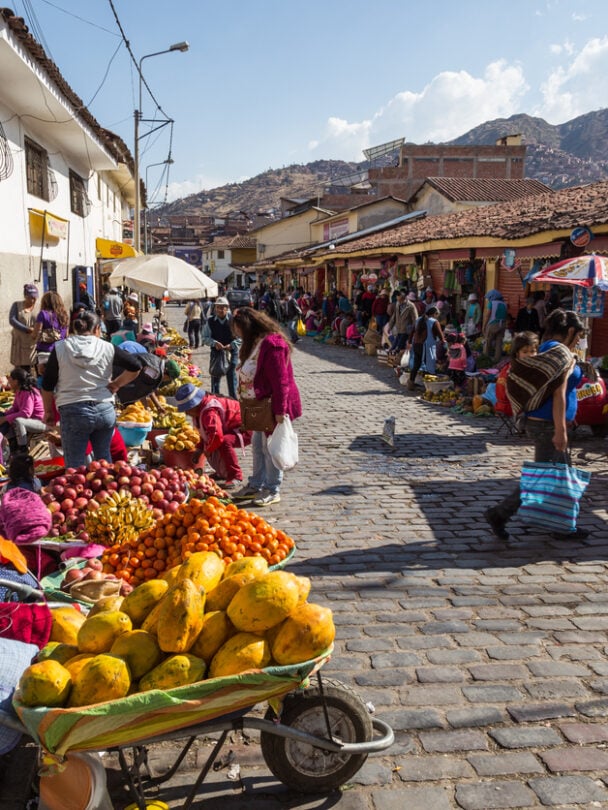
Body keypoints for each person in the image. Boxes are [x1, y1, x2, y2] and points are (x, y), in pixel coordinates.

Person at [485, 310, 588, 542]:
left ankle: (560, 525)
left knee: (555, 477)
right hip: (548, 426)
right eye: (579, 335)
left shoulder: (547, 348)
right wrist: (560, 431)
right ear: (570, 331)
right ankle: (500, 514)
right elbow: (559, 394)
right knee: (545, 477)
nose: (580, 340)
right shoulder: (559, 352)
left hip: (546, 423)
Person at [40, 311, 141, 468]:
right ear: (97, 330)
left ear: (74, 330)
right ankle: (107, 491)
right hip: (104, 410)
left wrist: (48, 412)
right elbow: (135, 366)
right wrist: (117, 384)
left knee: (75, 467)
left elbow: (47, 385)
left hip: (73, 413)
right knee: (104, 463)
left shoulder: (60, 348)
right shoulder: (107, 347)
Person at [231, 307, 302, 507]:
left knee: (269, 447)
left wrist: (280, 411)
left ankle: (272, 488)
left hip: (273, 405)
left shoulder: (273, 345)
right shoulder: (254, 343)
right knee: (257, 445)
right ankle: (257, 483)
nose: (236, 333)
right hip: (259, 405)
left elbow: (281, 382)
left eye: (238, 328)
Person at [174, 383, 251, 488]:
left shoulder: (209, 412)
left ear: (194, 405)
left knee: (224, 442)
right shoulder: (199, 411)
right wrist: (199, 449)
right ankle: (222, 473)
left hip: (247, 427)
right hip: (229, 428)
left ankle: (235, 476)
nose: (187, 413)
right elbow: (205, 432)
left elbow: (216, 436)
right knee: (211, 443)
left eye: (187, 410)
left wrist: (208, 450)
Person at [0, 368, 46, 455]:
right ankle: (13, 447)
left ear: (16, 381)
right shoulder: (19, 391)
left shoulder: (27, 392)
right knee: (5, 418)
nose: (9, 382)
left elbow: (26, 413)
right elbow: (15, 408)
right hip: (29, 421)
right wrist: (3, 415)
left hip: (40, 422)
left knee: (18, 421)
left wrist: (5, 418)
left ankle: (23, 448)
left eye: (11, 379)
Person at [202, 297, 240, 399]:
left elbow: (241, 337)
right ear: (215, 308)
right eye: (218, 307)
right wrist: (214, 343)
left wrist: (231, 345)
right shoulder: (210, 321)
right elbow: (204, 337)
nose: (220, 310)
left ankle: (234, 400)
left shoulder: (234, 320)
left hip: (232, 353)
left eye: (223, 307)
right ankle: (216, 399)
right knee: (215, 377)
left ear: (227, 308)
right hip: (216, 353)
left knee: (231, 377)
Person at [31, 291, 69, 375]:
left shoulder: (43, 314)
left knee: (44, 380)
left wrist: (31, 332)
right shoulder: (64, 315)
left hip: (45, 353)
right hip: (60, 352)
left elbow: (35, 334)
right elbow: (66, 336)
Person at [407, 306, 445, 391]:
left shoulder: (418, 320)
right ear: (434, 314)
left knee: (417, 364)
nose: (437, 317)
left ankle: (411, 382)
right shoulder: (434, 322)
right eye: (437, 315)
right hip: (426, 346)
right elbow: (440, 335)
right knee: (428, 365)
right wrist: (444, 342)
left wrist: (409, 342)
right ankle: (428, 386)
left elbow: (412, 332)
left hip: (416, 344)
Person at [9, 284, 38, 372]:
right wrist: (27, 329)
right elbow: (12, 320)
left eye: (34, 298)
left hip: (32, 344)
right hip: (19, 343)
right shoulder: (17, 305)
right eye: (30, 298)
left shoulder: (38, 307)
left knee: (34, 368)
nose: (33, 300)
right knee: (21, 370)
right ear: (25, 296)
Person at [484, 291, 508, 364]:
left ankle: (485, 358)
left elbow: (488, 315)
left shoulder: (491, 303)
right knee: (499, 343)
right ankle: (497, 360)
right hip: (502, 325)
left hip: (493, 324)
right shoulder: (504, 304)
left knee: (488, 341)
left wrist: (484, 325)